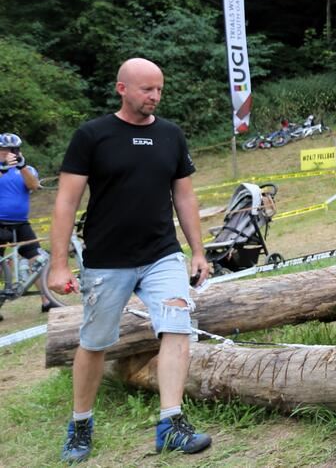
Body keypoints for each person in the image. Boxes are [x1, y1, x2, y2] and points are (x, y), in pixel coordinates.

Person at [47, 58, 212, 463]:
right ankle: (81, 422)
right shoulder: (92, 136)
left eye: (159, 89)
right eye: (146, 89)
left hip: (161, 253)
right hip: (106, 259)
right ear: (122, 88)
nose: (154, 97)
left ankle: (171, 424)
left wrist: (198, 250)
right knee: (96, 342)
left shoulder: (171, 135)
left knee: (176, 328)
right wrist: (58, 264)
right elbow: (66, 202)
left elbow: (185, 196)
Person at [0, 133, 62, 316]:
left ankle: (47, 300)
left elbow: (34, 186)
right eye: (6, 150)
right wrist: (2, 168)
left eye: (14, 150)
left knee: (37, 260)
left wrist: (22, 166)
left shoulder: (26, 168)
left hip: (20, 223)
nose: (10, 153)